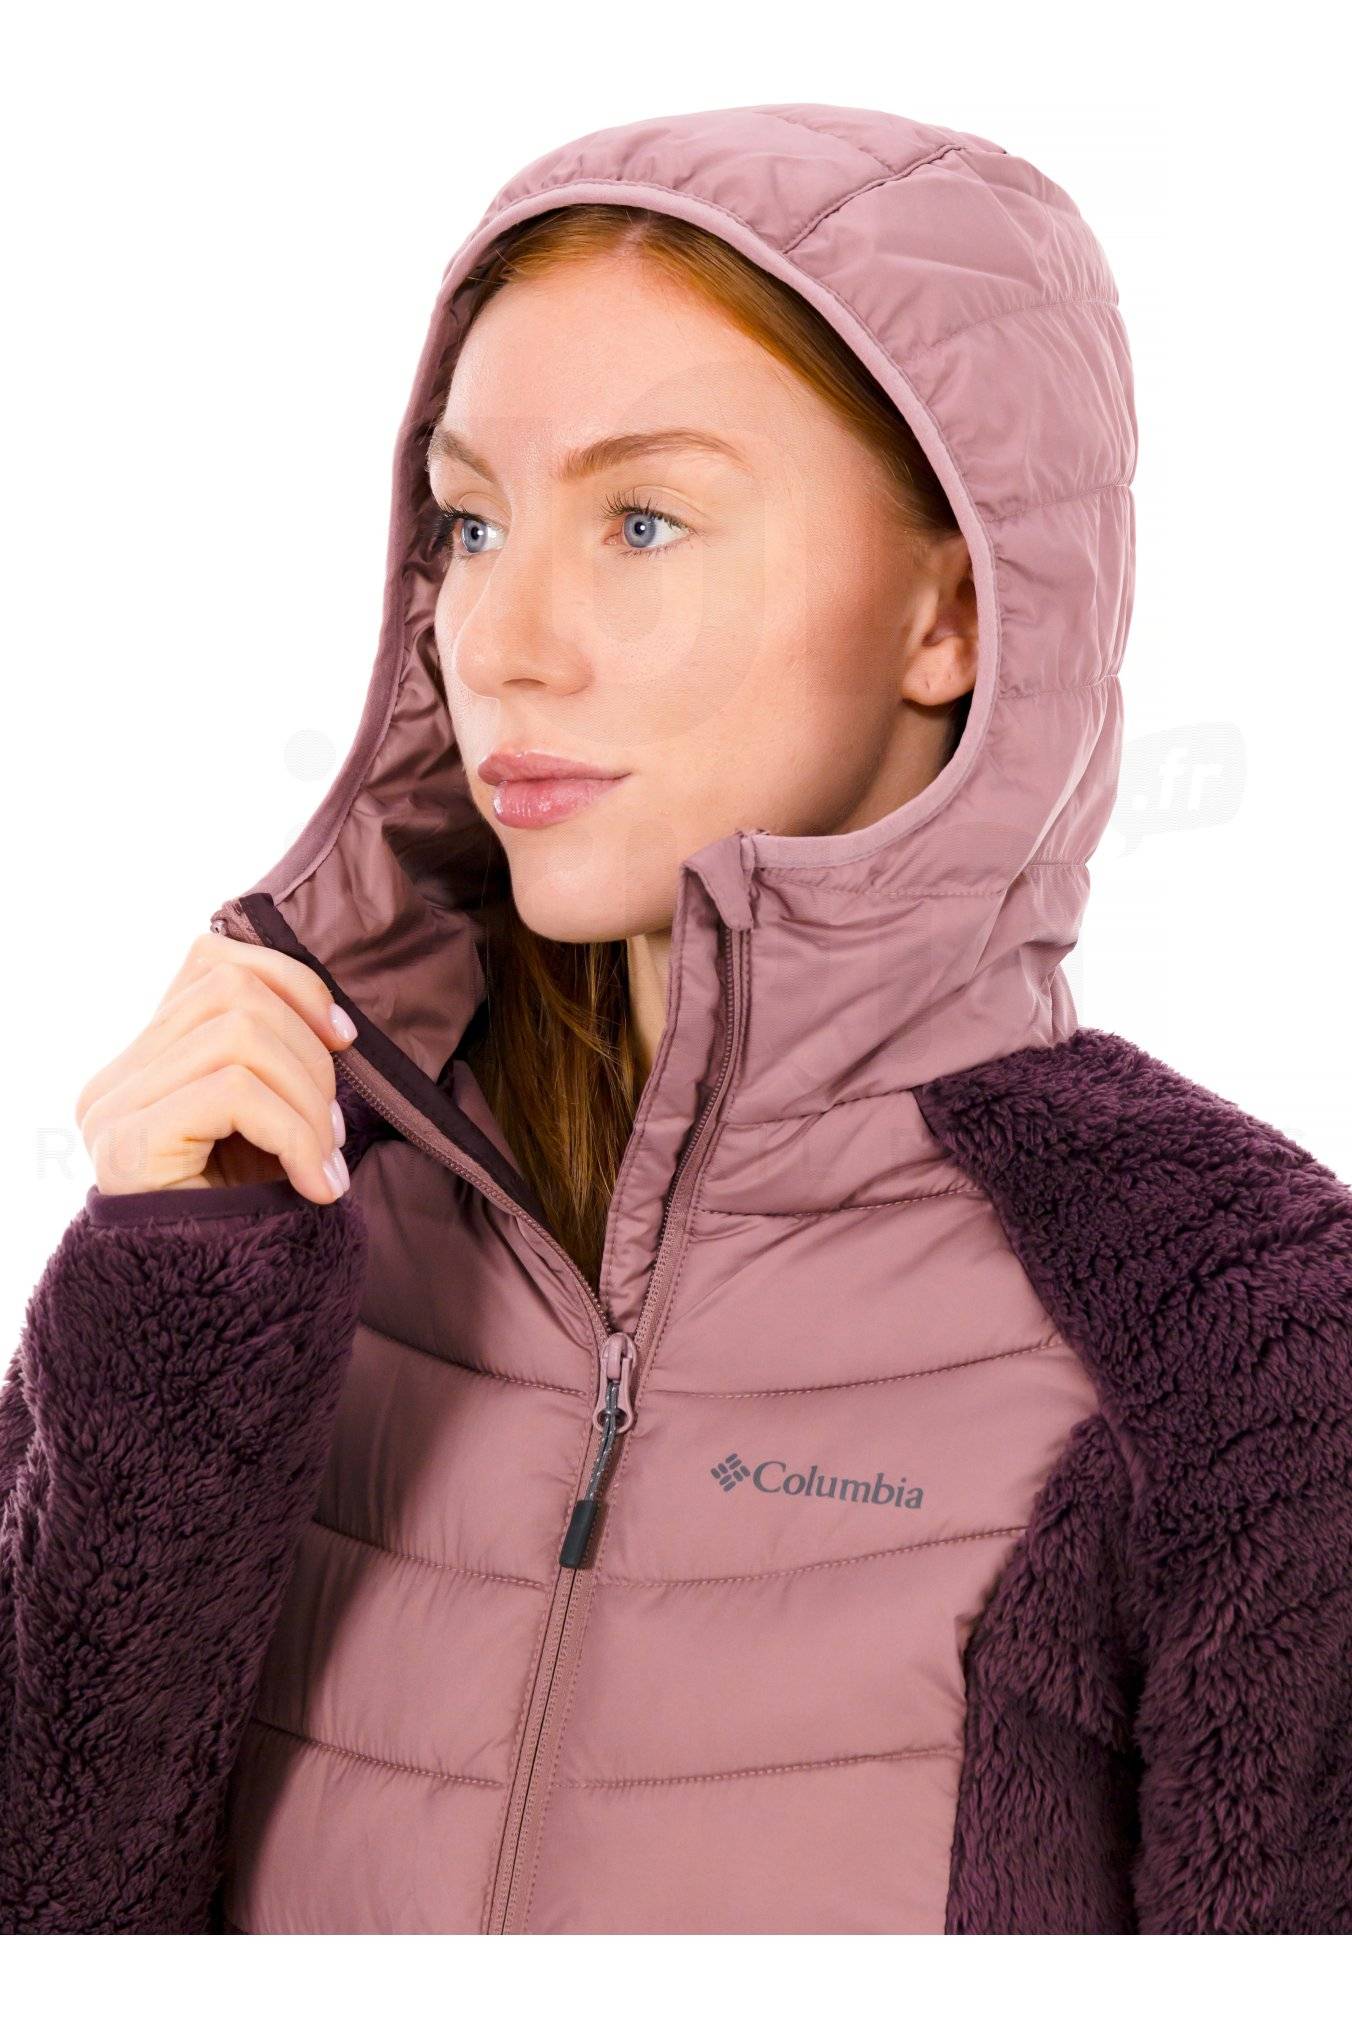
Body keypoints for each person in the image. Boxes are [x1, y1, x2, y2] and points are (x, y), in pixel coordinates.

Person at [2, 102, 1350, 1937]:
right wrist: (170, 1322)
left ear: (952, 614)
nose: (503, 641)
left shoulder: (1238, 1329)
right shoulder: (279, 1220)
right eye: (472, 523)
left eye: (642, 522)